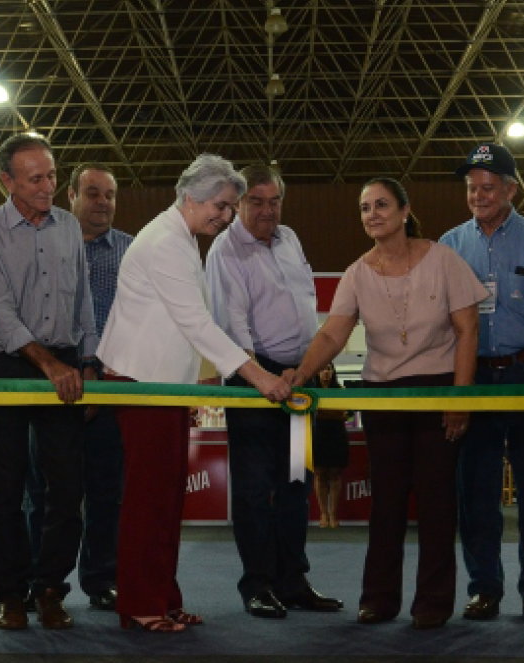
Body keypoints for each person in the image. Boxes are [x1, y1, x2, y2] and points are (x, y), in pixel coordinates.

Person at [97, 154, 292, 633]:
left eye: (229, 207)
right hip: (143, 385)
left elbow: (185, 326)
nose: (227, 216)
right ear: (191, 198)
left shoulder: (180, 237)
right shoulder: (165, 240)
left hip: (164, 385)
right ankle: (141, 605)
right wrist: (260, 377)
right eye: (222, 206)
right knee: (148, 500)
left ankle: (162, 597)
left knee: (166, 500)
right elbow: (196, 323)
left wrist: (201, 379)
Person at [285, 177, 486, 630]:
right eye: (364, 208)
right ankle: (378, 599)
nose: (372, 214)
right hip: (382, 396)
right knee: (387, 504)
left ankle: (433, 604)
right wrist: (298, 374)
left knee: (437, 504)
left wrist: (459, 397)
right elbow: (333, 333)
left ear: (403, 210)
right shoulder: (356, 272)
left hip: (437, 391)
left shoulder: (443, 258)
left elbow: (467, 330)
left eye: (381, 205)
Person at [439, 142, 524, 623]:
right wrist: (454, 392)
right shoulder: (450, 245)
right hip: (472, 376)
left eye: (489, 186)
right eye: (472, 188)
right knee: (476, 493)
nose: (479, 194)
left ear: (511, 189)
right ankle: (484, 590)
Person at [0, 134, 99, 631]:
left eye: (52, 175)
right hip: (6, 365)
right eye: (35, 178)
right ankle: (10, 594)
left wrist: (87, 361)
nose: (49, 187)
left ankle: (50, 589)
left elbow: (83, 298)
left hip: (66, 363)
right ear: (8, 181)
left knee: (65, 489)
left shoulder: (69, 227)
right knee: (3, 491)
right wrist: (50, 366)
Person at [205, 164, 342, 619]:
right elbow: (234, 328)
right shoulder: (225, 250)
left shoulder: (290, 239)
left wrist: (307, 368)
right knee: (252, 490)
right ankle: (258, 585)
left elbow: (306, 307)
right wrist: (265, 379)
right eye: (256, 202)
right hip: (252, 377)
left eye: (274, 201)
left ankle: (293, 581)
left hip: (298, 377)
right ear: (239, 203)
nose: (267, 211)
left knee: (296, 487)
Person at [70, 161, 130, 610]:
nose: (102, 202)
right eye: (92, 193)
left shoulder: (132, 252)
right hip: (52, 380)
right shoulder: (49, 248)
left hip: (111, 386)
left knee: (107, 493)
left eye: (109, 194)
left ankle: (100, 578)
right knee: (48, 494)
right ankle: (42, 580)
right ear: (70, 196)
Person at [313, 363, 350, 529]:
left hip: (337, 433)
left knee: (335, 474)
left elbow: (344, 413)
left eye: (329, 369)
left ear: (333, 372)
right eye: (322, 368)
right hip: (318, 433)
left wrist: (324, 412)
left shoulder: (341, 390)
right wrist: (332, 413)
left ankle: (334, 515)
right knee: (320, 473)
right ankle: (324, 514)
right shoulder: (311, 391)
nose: (326, 372)